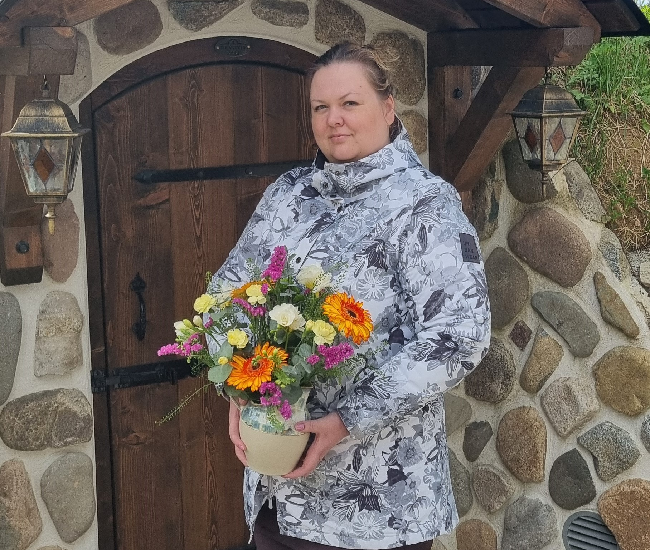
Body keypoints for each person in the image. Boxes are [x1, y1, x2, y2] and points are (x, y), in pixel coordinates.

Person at [211, 42, 491, 550]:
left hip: (377, 509)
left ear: (388, 108)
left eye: (350, 103)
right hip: (279, 497)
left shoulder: (424, 205)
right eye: (320, 107)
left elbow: (459, 335)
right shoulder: (289, 194)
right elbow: (226, 295)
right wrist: (238, 386)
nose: (333, 119)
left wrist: (346, 420)